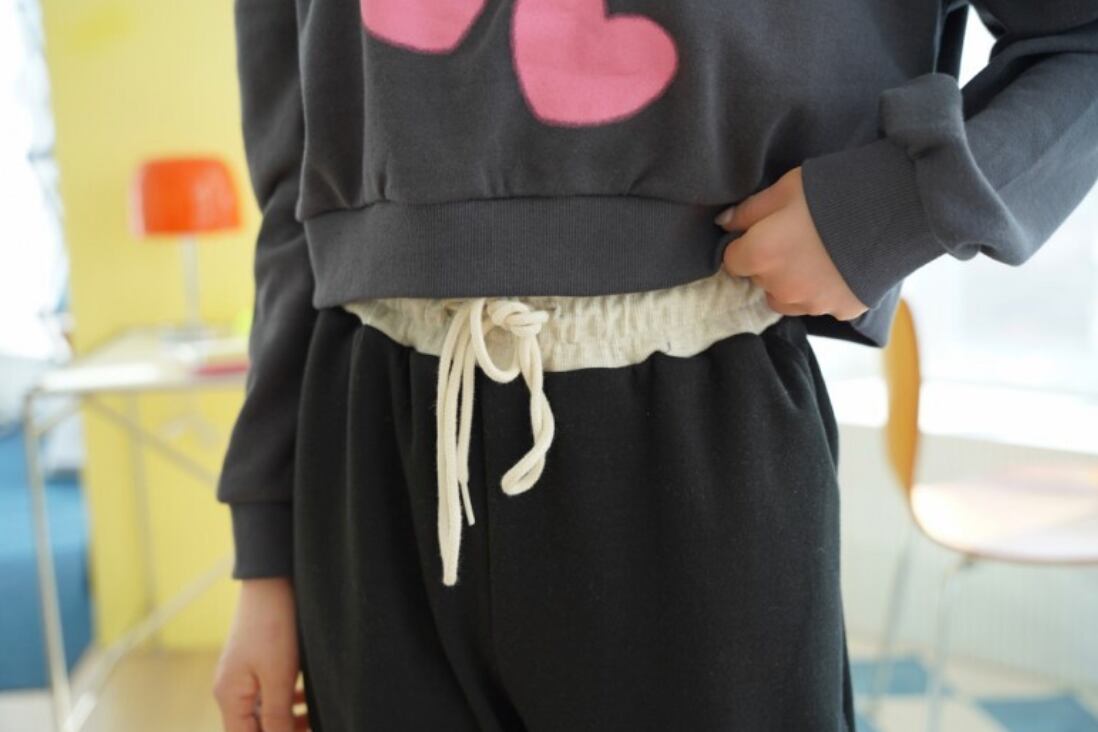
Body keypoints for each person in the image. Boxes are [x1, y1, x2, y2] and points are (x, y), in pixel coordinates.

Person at [211, 1, 1098, 730]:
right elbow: (295, 198)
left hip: (695, 422)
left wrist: (897, 205)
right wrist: (267, 556)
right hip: (370, 446)